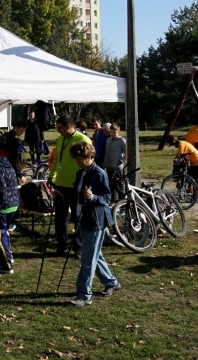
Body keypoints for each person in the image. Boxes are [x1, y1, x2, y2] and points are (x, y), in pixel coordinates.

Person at [69, 141, 121, 307]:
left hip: (96, 220)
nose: (78, 162)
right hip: (82, 218)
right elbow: (77, 193)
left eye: (81, 159)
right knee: (94, 255)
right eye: (76, 159)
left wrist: (93, 198)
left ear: (89, 156)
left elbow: (107, 198)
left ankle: (84, 295)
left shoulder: (99, 173)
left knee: (87, 258)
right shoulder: (80, 173)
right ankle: (111, 282)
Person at [50, 116, 91, 257]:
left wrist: (86, 182)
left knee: (77, 217)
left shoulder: (83, 139)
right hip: (60, 184)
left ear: (68, 126)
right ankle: (61, 247)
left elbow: (90, 162)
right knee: (60, 218)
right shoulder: (60, 139)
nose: (58, 131)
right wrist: (51, 176)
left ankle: (78, 248)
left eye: (59, 128)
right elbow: (56, 160)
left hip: (76, 186)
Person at [165, 134, 198, 202]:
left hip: (197, 162)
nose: (172, 145)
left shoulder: (181, 145)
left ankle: (196, 197)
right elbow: (179, 156)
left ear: (173, 141)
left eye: (171, 144)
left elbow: (180, 157)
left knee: (195, 180)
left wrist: (176, 168)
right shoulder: (182, 143)